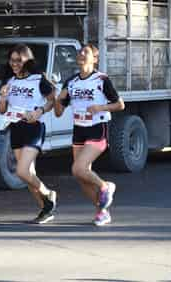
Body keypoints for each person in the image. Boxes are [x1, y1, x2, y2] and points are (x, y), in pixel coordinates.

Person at [54, 43, 125, 226]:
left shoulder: (101, 79)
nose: (81, 54)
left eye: (86, 52)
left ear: (95, 59)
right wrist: (59, 99)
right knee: (81, 176)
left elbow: (120, 105)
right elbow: (58, 112)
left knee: (78, 168)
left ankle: (104, 186)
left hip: (97, 127)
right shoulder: (71, 82)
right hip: (79, 129)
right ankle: (102, 212)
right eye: (80, 51)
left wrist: (100, 107)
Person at [0, 44, 57, 224]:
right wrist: (2, 97)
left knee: (22, 171)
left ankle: (48, 193)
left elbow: (52, 100)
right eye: (12, 60)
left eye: (19, 60)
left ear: (27, 60)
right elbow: (2, 110)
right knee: (29, 173)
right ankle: (45, 209)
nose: (14, 63)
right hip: (16, 128)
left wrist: (39, 111)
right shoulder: (9, 81)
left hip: (34, 127)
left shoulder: (38, 79)